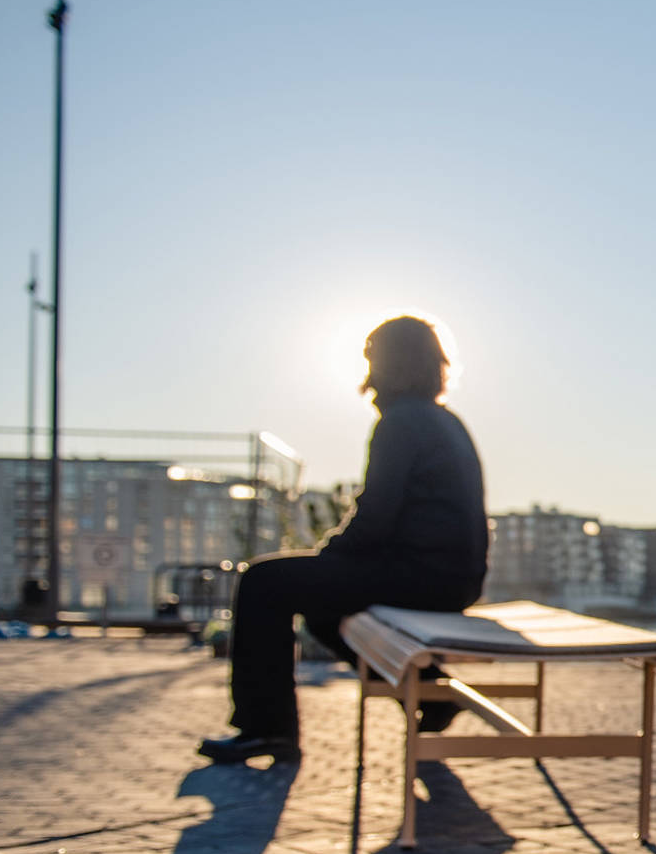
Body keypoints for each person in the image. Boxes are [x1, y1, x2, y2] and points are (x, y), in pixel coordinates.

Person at [198, 317, 488, 764]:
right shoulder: (445, 421)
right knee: (322, 614)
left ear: (387, 363)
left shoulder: (401, 422)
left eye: (372, 358)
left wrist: (325, 559)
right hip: (455, 578)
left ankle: (266, 729)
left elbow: (375, 518)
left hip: (421, 576)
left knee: (263, 582)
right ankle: (432, 698)